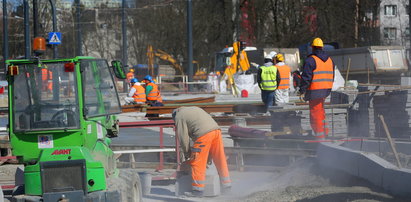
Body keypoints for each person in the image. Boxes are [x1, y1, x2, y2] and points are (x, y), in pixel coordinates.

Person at [172, 107, 231, 197]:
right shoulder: (193, 109)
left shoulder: (179, 116)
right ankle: (226, 186)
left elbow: (183, 138)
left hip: (204, 134)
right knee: (220, 159)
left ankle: (197, 190)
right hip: (216, 131)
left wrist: (188, 154)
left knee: (196, 162)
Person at [299, 37, 335, 140]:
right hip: (326, 89)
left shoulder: (311, 60)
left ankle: (320, 136)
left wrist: (302, 91)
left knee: (315, 113)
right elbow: (332, 75)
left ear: (313, 47)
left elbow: (306, 77)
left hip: (315, 90)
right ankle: (324, 132)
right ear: (322, 47)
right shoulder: (329, 60)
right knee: (321, 111)